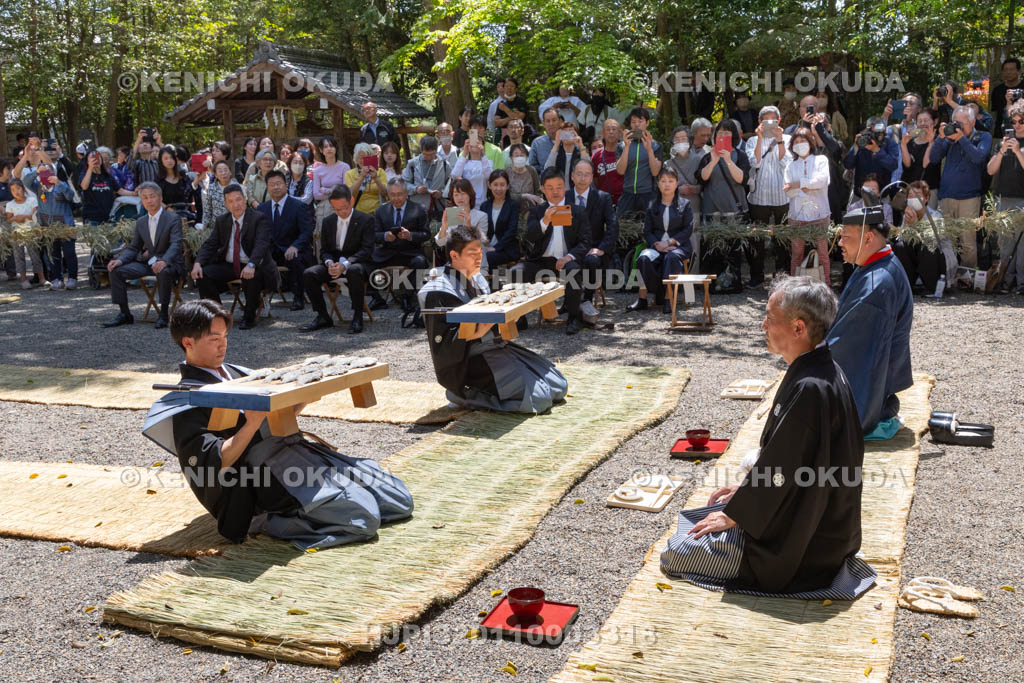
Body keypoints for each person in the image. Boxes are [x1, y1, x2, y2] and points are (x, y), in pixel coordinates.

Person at [661, 276, 875, 600]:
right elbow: (787, 465)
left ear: (799, 328)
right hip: (819, 524)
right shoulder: (821, 369)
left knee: (675, 551)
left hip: (801, 548)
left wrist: (735, 515)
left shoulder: (811, 387)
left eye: (770, 319)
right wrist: (743, 494)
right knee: (700, 516)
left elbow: (783, 468)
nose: (763, 325)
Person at [142, 299, 413, 548]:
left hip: (293, 453)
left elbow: (280, 417)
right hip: (255, 482)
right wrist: (250, 425)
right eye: (214, 339)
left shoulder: (239, 374)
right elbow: (215, 463)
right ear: (188, 342)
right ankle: (267, 522)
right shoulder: (187, 401)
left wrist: (306, 394)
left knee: (397, 500)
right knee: (362, 518)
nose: (223, 345)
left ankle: (321, 504)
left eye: (225, 336)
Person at [418, 224, 568, 413]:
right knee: (539, 400)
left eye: (480, 251)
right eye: (472, 253)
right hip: (469, 361)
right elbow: (442, 346)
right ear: (454, 256)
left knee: (558, 386)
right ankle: (463, 396)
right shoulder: (438, 291)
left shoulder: (479, 279)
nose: (479, 257)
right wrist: (475, 333)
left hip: (496, 347)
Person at [827, 206, 913, 439]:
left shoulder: (877, 283)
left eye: (846, 237)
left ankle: (871, 412)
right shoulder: (878, 264)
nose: (840, 243)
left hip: (873, 380)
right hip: (881, 371)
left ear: (868, 238)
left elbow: (847, 346)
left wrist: (812, 353)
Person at [509, 167, 591, 335]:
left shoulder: (578, 211)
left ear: (565, 187)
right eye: (550, 188)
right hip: (541, 261)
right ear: (543, 190)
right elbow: (529, 237)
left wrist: (569, 257)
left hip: (567, 260)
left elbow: (586, 242)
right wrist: (544, 221)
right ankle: (520, 318)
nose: (555, 192)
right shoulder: (537, 211)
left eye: (559, 187)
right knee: (515, 272)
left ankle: (574, 318)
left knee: (574, 271)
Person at [191, 184, 279, 330]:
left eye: (238, 199)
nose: (235, 204)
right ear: (226, 204)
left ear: (245, 200)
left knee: (250, 275)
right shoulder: (222, 220)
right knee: (203, 274)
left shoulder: (259, 218)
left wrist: (251, 264)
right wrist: (197, 263)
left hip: (255, 264)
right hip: (230, 265)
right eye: (230, 201)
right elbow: (210, 244)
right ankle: (217, 315)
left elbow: (261, 245)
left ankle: (249, 317)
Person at [103, 182, 184, 329]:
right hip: (148, 263)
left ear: (160, 198)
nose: (149, 200)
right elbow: (134, 247)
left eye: (152, 196)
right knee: (116, 270)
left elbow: (176, 245)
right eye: (145, 197)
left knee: (163, 271)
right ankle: (125, 314)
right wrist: (120, 260)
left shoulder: (172, 219)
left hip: (169, 263)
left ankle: (164, 314)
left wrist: (165, 261)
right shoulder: (141, 222)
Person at [925, 105, 992, 268]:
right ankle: (949, 274)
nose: (958, 127)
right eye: (956, 123)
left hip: (969, 197)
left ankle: (968, 276)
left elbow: (978, 157)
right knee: (948, 240)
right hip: (947, 195)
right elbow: (933, 159)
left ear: (973, 121)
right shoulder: (949, 139)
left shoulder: (984, 136)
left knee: (967, 241)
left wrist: (961, 138)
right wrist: (941, 138)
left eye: (962, 123)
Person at [302, 185, 375, 333]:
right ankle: (322, 316)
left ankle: (357, 316)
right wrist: (329, 263)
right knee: (309, 274)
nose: (341, 212)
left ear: (351, 201)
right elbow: (324, 251)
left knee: (354, 271)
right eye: (336, 209)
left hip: (357, 264)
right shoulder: (328, 221)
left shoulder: (366, 220)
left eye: (344, 208)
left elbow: (367, 250)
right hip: (334, 264)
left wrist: (346, 264)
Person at [627, 167, 693, 313]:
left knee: (671, 257)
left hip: (678, 246)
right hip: (656, 246)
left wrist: (669, 243)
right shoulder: (652, 205)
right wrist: (656, 245)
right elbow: (647, 231)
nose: (667, 184)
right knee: (643, 258)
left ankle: (669, 299)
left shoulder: (685, 204)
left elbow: (688, 229)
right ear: (658, 183)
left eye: (670, 181)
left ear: (677, 183)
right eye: (663, 181)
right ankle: (642, 299)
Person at [746, 105, 791, 285]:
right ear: (760, 122)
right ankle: (756, 276)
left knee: (782, 238)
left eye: (774, 120)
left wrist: (779, 140)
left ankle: (782, 277)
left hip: (782, 196)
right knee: (757, 238)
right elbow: (754, 162)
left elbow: (786, 162)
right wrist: (758, 137)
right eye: (766, 121)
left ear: (779, 122)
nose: (770, 124)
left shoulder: (788, 139)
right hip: (759, 197)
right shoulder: (751, 141)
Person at [370, 178, 431, 312]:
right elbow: (374, 235)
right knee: (365, 261)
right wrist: (386, 236)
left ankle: (407, 297)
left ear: (406, 193)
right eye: (392, 194)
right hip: (388, 251)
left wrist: (410, 236)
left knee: (420, 262)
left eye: (399, 194)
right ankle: (376, 297)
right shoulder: (381, 210)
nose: (396, 198)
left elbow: (426, 234)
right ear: (388, 194)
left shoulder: (419, 209)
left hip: (410, 251)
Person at [258, 170, 314, 311]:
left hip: (293, 249)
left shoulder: (299, 206)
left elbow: (307, 232)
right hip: (271, 251)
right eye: (272, 184)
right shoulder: (261, 208)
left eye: (279, 184)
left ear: (286, 185)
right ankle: (257, 300)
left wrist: (295, 246)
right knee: (253, 260)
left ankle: (298, 297)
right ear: (267, 187)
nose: (276, 187)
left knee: (296, 259)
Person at [565, 158, 617, 304]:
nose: (582, 178)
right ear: (572, 176)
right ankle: (568, 302)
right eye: (579, 174)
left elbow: (613, 225)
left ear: (592, 177)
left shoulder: (602, 197)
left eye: (587, 174)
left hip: (593, 248)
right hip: (569, 249)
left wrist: (601, 249)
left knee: (592, 260)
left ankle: (586, 300)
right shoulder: (564, 198)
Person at [784, 129, 832, 285]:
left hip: (819, 214)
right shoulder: (790, 165)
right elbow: (788, 191)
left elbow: (821, 181)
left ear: (810, 143)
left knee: (823, 253)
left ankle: (826, 284)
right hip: (797, 215)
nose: (800, 145)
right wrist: (807, 186)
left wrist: (798, 184)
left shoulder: (821, 160)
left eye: (803, 141)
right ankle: (794, 286)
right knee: (797, 254)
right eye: (796, 142)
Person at [893, 180, 956, 294]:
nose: (913, 199)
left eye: (917, 196)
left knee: (927, 247)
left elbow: (933, 239)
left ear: (926, 199)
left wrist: (917, 224)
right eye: (910, 196)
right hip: (915, 254)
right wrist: (908, 226)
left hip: (935, 256)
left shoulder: (935, 216)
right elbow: (902, 239)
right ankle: (906, 285)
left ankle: (931, 286)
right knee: (900, 246)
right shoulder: (907, 215)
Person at [987, 100, 1024, 293]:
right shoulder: (1003, 143)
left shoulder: (1019, 146)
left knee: (1023, 248)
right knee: (1005, 246)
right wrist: (1002, 150)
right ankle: (1005, 283)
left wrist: (1018, 151)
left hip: (1022, 199)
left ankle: (1021, 284)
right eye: (1014, 122)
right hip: (1002, 199)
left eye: (1021, 121)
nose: (1017, 126)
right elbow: (990, 169)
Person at [616, 107, 663, 218]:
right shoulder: (621, 146)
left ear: (647, 123)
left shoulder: (656, 145)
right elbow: (620, 171)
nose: (636, 125)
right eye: (633, 122)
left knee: (649, 228)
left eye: (640, 121)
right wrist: (627, 146)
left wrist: (649, 150)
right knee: (624, 230)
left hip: (648, 194)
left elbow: (655, 172)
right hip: (628, 194)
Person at [435, 178, 489, 268]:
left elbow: (479, 244)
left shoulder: (481, 216)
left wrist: (468, 225)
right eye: (456, 194)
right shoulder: (451, 214)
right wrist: (444, 226)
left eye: (463, 194)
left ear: (470, 195)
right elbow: (440, 243)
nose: (459, 198)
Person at [5, 179, 47, 289]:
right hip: (17, 233)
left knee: (34, 254)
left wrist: (23, 217)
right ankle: (23, 279)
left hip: (31, 232)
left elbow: (35, 215)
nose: (16, 192)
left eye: (18, 188)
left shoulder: (32, 200)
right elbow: (9, 220)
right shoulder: (10, 204)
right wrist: (15, 218)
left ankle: (41, 278)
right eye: (13, 190)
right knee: (19, 256)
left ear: (23, 188)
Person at [844, 116, 899, 192]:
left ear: (884, 131)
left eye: (878, 133)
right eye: (872, 132)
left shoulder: (889, 143)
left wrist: (877, 151)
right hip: (860, 193)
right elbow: (848, 164)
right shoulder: (862, 142)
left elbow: (893, 165)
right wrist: (855, 147)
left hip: (882, 193)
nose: (875, 136)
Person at [402, 136, 451, 219]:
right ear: (421, 150)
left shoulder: (445, 164)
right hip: (417, 208)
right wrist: (416, 189)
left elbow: (450, 185)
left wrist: (442, 193)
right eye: (425, 154)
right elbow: (403, 184)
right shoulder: (412, 164)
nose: (428, 157)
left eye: (432, 154)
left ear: (436, 150)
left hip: (438, 208)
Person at [480, 169, 521, 267]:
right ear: (489, 185)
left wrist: (495, 248)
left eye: (502, 185)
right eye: (495, 184)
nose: (499, 188)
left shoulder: (513, 205)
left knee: (486, 258)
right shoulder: (484, 206)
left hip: (506, 250)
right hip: (486, 248)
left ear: (507, 186)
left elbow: (512, 231)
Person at [899, 107, 941, 201]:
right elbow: (907, 165)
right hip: (909, 189)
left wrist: (930, 143)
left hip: (928, 190)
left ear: (934, 122)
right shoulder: (911, 141)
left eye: (926, 120)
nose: (922, 123)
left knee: (928, 215)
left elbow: (926, 164)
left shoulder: (938, 141)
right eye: (920, 121)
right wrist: (903, 145)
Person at [312, 136, 351, 232]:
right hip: (323, 209)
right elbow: (316, 195)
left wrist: (326, 190)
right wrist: (335, 190)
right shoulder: (317, 170)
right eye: (325, 147)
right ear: (321, 150)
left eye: (331, 146)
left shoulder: (344, 167)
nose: (329, 149)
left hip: (341, 207)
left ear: (336, 148)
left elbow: (345, 192)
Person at [451, 130, 495, 208]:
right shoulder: (463, 162)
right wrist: (465, 152)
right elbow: (455, 175)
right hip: (466, 203)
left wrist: (483, 154)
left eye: (479, 141)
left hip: (482, 203)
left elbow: (489, 177)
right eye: (473, 141)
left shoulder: (488, 162)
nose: (475, 143)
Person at [346, 143, 389, 215]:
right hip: (358, 213)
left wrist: (376, 178)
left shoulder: (380, 171)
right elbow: (350, 194)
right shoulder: (349, 174)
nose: (364, 160)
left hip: (378, 212)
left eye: (367, 157)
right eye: (361, 157)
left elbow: (386, 193)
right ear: (356, 158)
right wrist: (361, 177)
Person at [592, 118, 624, 205]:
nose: (611, 132)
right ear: (602, 133)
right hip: (605, 202)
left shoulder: (626, 152)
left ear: (620, 132)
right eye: (608, 129)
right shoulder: (596, 156)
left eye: (614, 129)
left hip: (625, 201)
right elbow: (595, 180)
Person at [543, 121, 586, 186]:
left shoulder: (580, 152)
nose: (567, 134)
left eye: (570, 131)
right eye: (564, 132)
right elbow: (548, 169)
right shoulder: (556, 152)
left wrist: (581, 145)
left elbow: (588, 168)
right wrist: (557, 143)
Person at [492, 77, 529, 146]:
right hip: (505, 136)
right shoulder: (501, 103)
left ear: (516, 89)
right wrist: (513, 116)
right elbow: (497, 122)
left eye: (511, 86)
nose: (509, 88)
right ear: (504, 88)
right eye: (506, 86)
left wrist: (505, 109)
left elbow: (520, 118)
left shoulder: (521, 102)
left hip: (520, 134)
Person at [507, 143, 542, 211]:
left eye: (522, 155)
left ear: (526, 157)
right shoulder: (507, 172)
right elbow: (505, 194)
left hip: (531, 210)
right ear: (511, 157)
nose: (519, 157)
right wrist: (523, 196)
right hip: (511, 209)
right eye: (516, 155)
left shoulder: (531, 170)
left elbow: (538, 190)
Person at [991, 58, 1022, 135]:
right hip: (1001, 132)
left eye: (1011, 69)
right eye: (1005, 70)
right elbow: (995, 113)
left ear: (1018, 71)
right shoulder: (997, 90)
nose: (1008, 72)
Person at [527, 107, 563, 174]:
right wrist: (545, 171)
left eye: (554, 120)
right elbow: (531, 166)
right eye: (548, 121)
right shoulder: (537, 143)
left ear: (560, 122)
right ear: (543, 123)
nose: (551, 124)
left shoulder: (568, 141)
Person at [202, 160, 238, 225]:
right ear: (215, 175)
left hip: (234, 225)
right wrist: (204, 227)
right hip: (216, 226)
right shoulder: (212, 188)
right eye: (220, 171)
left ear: (230, 172)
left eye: (225, 170)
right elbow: (207, 209)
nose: (223, 173)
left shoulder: (237, 187)